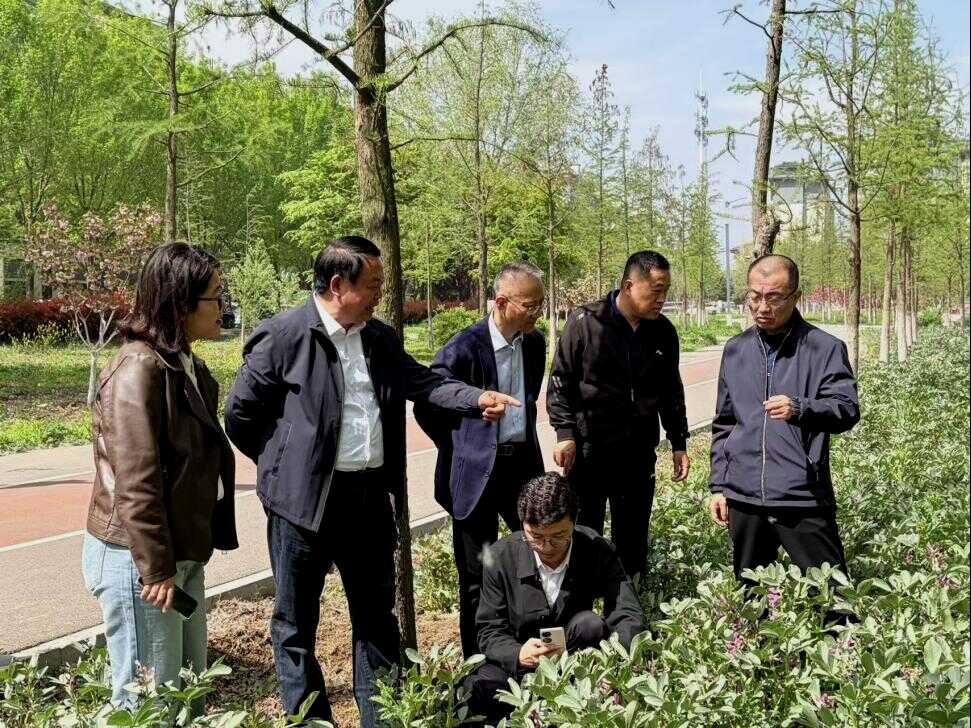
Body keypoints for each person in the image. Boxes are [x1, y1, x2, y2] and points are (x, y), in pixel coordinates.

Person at [223, 236, 520, 725]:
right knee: (295, 625)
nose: (382, 294)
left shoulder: (379, 338)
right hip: (303, 506)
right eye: (375, 284)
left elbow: (423, 382)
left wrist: (474, 398)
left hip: (367, 502)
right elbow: (240, 416)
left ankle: (380, 719)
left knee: (377, 621)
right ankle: (311, 722)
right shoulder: (283, 337)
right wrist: (286, 467)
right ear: (339, 285)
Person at [82, 243, 238, 712]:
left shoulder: (185, 365)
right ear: (180, 303)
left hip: (178, 554)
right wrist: (155, 568)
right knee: (148, 702)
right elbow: (136, 480)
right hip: (142, 561)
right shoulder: (139, 369)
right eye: (215, 296)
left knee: (186, 689)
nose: (223, 306)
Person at [414, 262, 547, 658]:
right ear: (502, 303)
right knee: (478, 572)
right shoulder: (462, 349)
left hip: (522, 468)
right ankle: (480, 665)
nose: (538, 314)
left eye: (540, 304)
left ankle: (532, 652)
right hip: (477, 477)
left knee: (537, 557)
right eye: (530, 306)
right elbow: (428, 403)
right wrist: (464, 444)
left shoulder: (534, 344)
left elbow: (529, 399)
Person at [708, 254, 860, 584]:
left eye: (774, 298)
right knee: (751, 596)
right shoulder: (735, 349)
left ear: (795, 296)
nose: (762, 307)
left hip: (801, 495)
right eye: (754, 296)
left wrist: (800, 408)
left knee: (832, 594)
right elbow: (724, 423)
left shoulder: (825, 349)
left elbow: (847, 409)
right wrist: (719, 485)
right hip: (745, 497)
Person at [546, 250, 691, 579]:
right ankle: (583, 601)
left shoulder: (663, 332)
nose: (662, 299)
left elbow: (671, 389)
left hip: (638, 453)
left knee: (633, 539)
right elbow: (560, 382)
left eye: (666, 290)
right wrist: (565, 434)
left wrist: (678, 441)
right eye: (656, 290)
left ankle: (627, 602)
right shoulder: (586, 322)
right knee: (584, 535)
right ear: (629, 285)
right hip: (589, 453)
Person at [468, 472, 645, 725]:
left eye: (559, 536)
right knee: (479, 686)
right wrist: (517, 654)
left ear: (574, 521)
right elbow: (489, 629)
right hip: (521, 663)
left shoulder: (596, 548)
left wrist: (613, 664)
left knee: (590, 624)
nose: (547, 547)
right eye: (536, 537)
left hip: (575, 658)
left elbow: (627, 612)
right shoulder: (500, 557)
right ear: (522, 525)